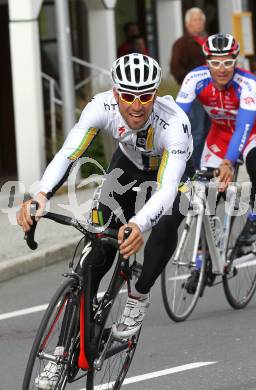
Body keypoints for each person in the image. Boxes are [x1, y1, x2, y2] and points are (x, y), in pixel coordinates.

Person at [17, 53, 193, 389]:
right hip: (127, 167)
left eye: (145, 96)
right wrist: (41, 195)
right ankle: (60, 354)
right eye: (128, 96)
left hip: (171, 174)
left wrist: (140, 223)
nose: (137, 106)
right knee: (97, 253)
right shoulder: (101, 107)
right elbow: (70, 154)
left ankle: (139, 296)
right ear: (115, 94)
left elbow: (167, 189)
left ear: (155, 94)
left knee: (170, 217)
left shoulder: (174, 124)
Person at [176, 33, 256, 246]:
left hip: (253, 133)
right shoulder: (194, 79)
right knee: (206, 197)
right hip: (219, 135)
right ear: (207, 62)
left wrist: (228, 162)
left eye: (228, 62)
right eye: (215, 62)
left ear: (235, 62)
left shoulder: (247, 83)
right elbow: (177, 119)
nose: (221, 69)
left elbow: (243, 126)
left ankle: (254, 220)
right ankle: (202, 262)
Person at [170, 7, 210, 170]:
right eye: (195, 20)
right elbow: (176, 68)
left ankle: (208, 167)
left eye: (200, 19)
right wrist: (192, 81)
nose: (198, 23)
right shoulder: (181, 44)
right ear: (187, 23)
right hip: (195, 96)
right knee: (197, 133)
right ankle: (194, 169)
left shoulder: (211, 41)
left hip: (214, 94)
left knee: (211, 133)